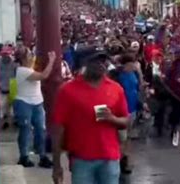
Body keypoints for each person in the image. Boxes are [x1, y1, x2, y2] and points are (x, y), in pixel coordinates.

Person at [52, 51, 130, 184]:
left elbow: (125, 120)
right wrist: (56, 164)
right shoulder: (68, 90)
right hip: (81, 159)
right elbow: (59, 128)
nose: (101, 65)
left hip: (109, 157)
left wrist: (112, 119)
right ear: (85, 64)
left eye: (104, 62)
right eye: (96, 62)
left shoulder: (116, 88)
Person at [14, 48, 56, 168]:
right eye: (30, 54)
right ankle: (24, 156)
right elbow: (44, 75)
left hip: (37, 102)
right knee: (25, 130)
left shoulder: (28, 68)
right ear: (23, 58)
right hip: (24, 102)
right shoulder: (22, 70)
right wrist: (51, 61)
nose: (32, 56)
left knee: (40, 130)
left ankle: (42, 156)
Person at [0, 46, 17, 130]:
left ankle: (13, 120)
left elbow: (17, 75)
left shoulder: (15, 64)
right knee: (3, 106)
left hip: (13, 84)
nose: (5, 56)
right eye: (4, 54)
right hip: (2, 86)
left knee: (13, 105)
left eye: (7, 54)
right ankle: (5, 122)